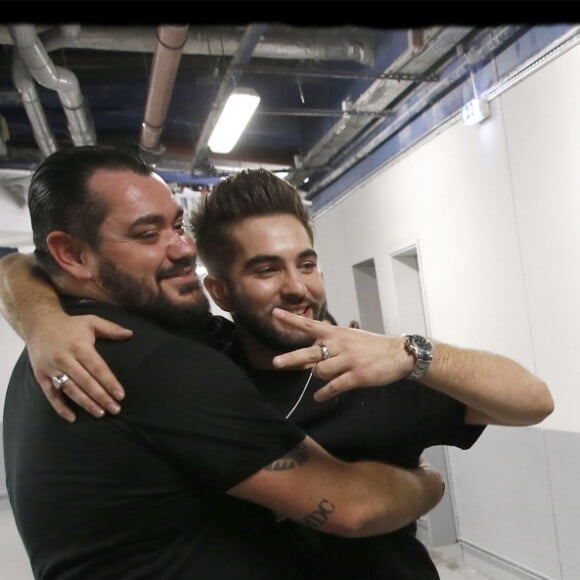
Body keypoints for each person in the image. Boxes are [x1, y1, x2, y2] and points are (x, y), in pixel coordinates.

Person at [0, 160, 554, 579]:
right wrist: (42, 319)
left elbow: (533, 400)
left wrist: (411, 352)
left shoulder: (369, 372)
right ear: (218, 289)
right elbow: (21, 264)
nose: (297, 286)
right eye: (266, 269)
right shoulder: (203, 360)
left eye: (306, 263)